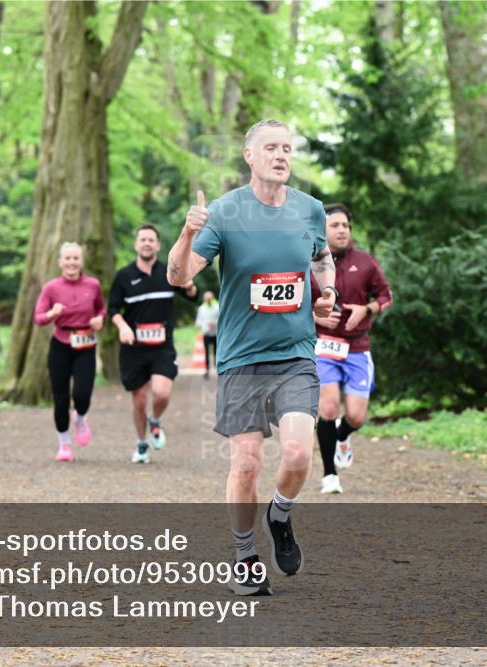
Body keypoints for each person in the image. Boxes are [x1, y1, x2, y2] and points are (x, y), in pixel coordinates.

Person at [168, 119, 337, 596]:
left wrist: (328, 293)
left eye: (287, 148)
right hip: (242, 358)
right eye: (271, 148)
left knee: (301, 453)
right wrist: (186, 232)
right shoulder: (223, 213)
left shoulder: (310, 209)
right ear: (249, 156)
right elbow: (177, 275)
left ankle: (279, 515)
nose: (281, 155)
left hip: (296, 352)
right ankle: (244, 555)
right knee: (245, 464)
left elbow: (321, 259)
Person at [311, 204, 393, 494]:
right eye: (335, 225)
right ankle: (329, 475)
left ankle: (342, 436)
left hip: (358, 347)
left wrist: (367, 309)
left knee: (356, 416)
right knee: (329, 406)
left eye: (346, 225)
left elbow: (386, 295)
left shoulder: (365, 261)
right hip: (323, 346)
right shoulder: (311, 263)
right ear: (323, 230)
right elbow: (294, 305)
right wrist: (313, 314)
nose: (343, 230)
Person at [109, 224, 198, 464]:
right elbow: (113, 309)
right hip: (134, 348)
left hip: (162, 346)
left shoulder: (169, 273)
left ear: (158, 245)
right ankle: (141, 444)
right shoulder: (124, 276)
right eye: (143, 239)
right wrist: (123, 327)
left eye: (151, 240)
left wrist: (189, 286)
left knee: (161, 392)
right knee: (138, 399)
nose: (147, 243)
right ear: (136, 244)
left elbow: (192, 295)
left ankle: (155, 420)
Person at [33, 242, 106, 462]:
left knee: (82, 395)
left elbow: (101, 308)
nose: (72, 262)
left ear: (82, 262)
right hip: (61, 345)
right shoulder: (51, 288)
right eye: (68, 258)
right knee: (60, 398)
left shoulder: (93, 285)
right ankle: (64, 443)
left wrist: (99, 319)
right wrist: (51, 313)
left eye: (76, 258)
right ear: (60, 262)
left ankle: (81, 417)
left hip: (85, 344)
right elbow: (38, 318)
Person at [195, 291, 219, 378]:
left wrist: (215, 323)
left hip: (216, 333)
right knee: (206, 353)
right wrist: (206, 325)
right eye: (207, 298)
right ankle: (207, 370)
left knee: (217, 352)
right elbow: (198, 321)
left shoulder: (217, 307)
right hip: (206, 333)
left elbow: (221, 318)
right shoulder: (201, 309)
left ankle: (218, 370)